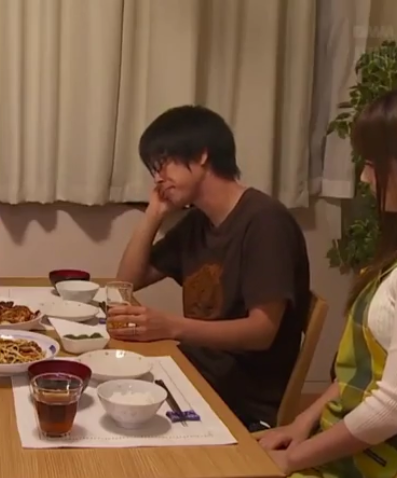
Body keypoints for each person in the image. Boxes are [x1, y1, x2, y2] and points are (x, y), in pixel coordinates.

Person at [232, 82, 397, 478]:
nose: (364, 178)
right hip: (375, 450)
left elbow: (395, 407)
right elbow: (357, 378)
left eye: (373, 164)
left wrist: (292, 459)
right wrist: (301, 424)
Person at [110, 105, 311, 431]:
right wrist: (153, 214)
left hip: (241, 399)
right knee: (102, 385)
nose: (158, 178)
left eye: (164, 163)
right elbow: (125, 284)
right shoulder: (198, 222)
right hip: (194, 373)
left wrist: (171, 326)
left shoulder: (265, 221)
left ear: (202, 155)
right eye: (153, 169)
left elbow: (261, 332)